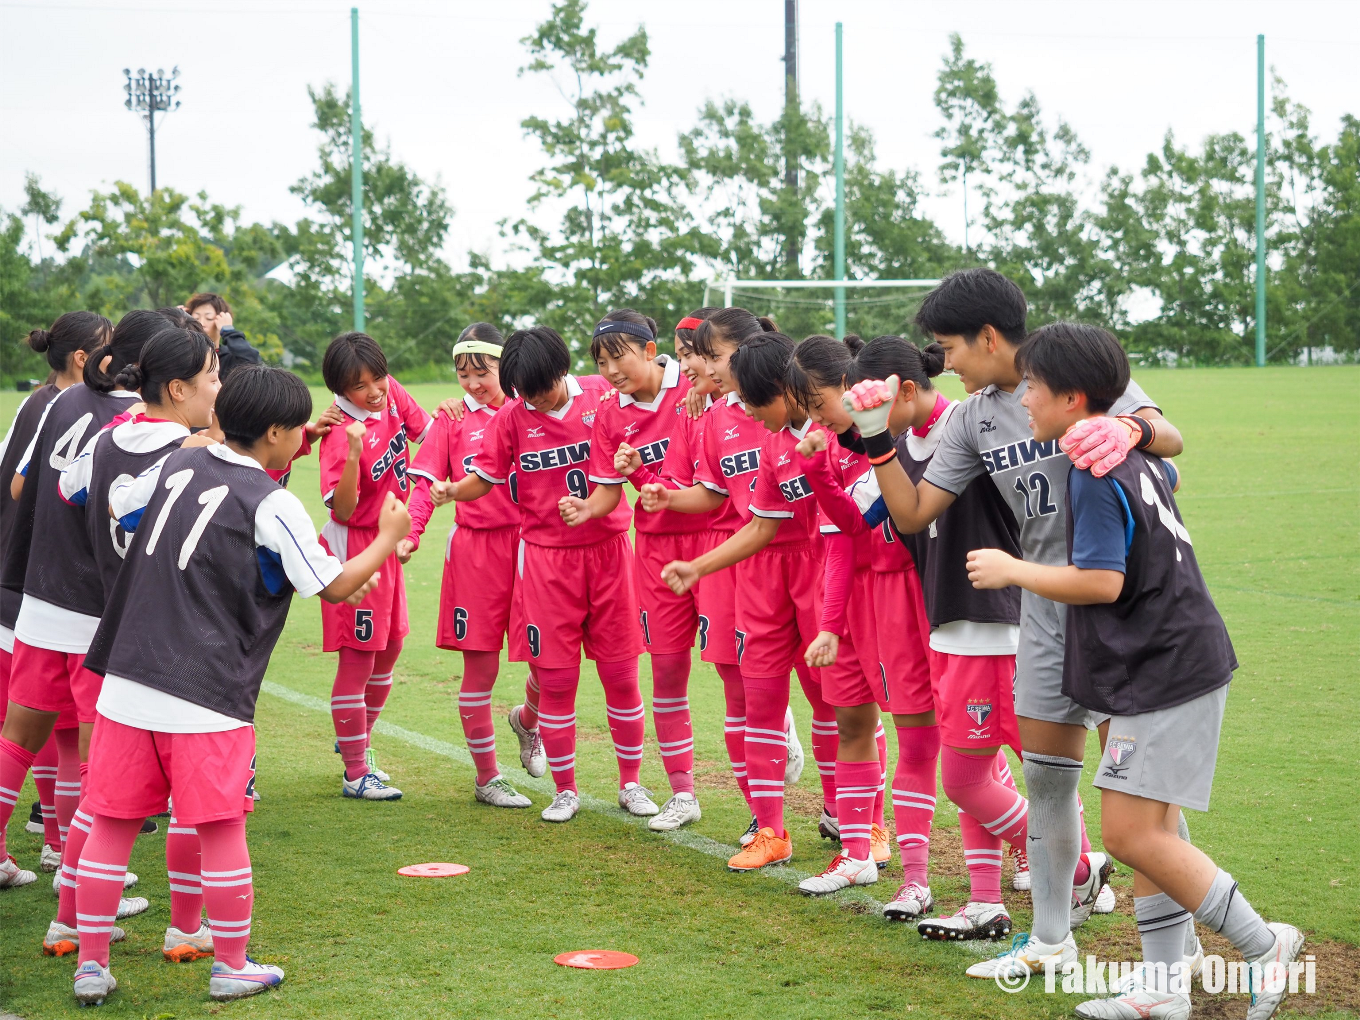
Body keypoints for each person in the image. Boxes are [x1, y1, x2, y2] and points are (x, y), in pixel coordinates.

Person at [842, 268, 1181, 980]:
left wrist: (1128, 425)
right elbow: (911, 514)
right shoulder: (970, 417)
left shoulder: (1069, 370)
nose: (946, 363)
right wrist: (874, 437)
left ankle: (1183, 958)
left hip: (1123, 610)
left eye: (950, 348)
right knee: (1052, 784)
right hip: (1047, 617)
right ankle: (1052, 940)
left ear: (989, 337)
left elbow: (1170, 437)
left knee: (1142, 802)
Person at [966, 322, 1303, 1020]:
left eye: (1034, 387)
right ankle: (1162, 990)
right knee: (1140, 827)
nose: (1023, 400)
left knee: (1129, 834)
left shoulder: (1092, 468)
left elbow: (1101, 582)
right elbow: (1163, 464)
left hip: (1166, 667)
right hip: (1157, 664)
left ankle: (1262, 942)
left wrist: (1010, 570)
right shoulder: (1119, 449)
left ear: (1074, 397)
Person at [70, 364, 409, 1005]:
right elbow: (333, 585)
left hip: (125, 674)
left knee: (112, 823)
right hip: (207, 690)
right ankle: (229, 964)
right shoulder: (272, 500)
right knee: (221, 827)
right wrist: (387, 538)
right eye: (296, 435)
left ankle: (92, 965)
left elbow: (118, 504)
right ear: (277, 434)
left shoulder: (178, 463)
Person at [804, 334, 1030, 934]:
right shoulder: (899, 446)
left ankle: (1074, 864)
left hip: (1004, 613)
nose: (852, 417)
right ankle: (938, 885)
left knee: (1023, 756)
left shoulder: (970, 425)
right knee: (967, 757)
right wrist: (817, 466)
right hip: (945, 617)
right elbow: (859, 523)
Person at [431, 326, 655, 825]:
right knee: (556, 680)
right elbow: (483, 477)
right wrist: (452, 491)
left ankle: (631, 783)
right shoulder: (513, 416)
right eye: (521, 393)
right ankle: (566, 789)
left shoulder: (601, 395)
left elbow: (659, 399)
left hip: (610, 552)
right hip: (546, 561)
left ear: (561, 371)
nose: (530, 400)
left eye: (538, 390)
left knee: (620, 674)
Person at [49, 328, 221, 961]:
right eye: (212, 372)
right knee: (194, 802)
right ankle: (190, 927)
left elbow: (68, 491)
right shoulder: (194, 453)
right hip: (171, 653)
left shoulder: (108, 436)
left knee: (103, 801)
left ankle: (68, 925)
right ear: (178, 388)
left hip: (105, 643)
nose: (218, 386)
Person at [0, 310, 166, 905]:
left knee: (21, 736)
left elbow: (23, 489)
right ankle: (85, 888)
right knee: (105, 755)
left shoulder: (60, 401)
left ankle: (29, 857)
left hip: (39, 598)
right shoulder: (142, 425)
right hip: (95, 609)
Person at [656, 331, 836, 873]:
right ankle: (770, 830)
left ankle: (861, 823)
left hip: (825, 566)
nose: (708, 367)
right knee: (756, 699)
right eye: (701, 356)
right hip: (756, 573)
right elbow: (757, 523)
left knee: (837, 701)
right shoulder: (756, 432)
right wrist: (697, 564)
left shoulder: (832, 431)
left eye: (715, 356)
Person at [784, 335, 924, 900]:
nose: (814, 418)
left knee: (961, 729)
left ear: (851, 386)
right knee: (851, 724)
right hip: (852, 602)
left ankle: (1031, 850)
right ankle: (858, 850)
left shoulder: (901, 441)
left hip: (907, 596)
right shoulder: (838, 451)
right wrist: (831, 624)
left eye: (819, 403)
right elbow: (844, 538)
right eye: (808, 409)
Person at [558, 309, 708, 831]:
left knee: (746, 672)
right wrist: (588, 509)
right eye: (601, 360)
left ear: (649, 349)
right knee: (667, 671)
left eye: (619, 355)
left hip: (716, 543)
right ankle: (684, 793)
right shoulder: (608, 413)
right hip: (654, 553)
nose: (611, 369)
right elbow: (605, 491)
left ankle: (782, 766)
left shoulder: (695, 387)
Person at [403, 324, 544, 809]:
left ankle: (528, 721)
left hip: (531, 548)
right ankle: (488, 779)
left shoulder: (530, 412)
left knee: (548, 661)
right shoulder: (452, 420)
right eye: (462, 374)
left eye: (480, 372)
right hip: (475, 554)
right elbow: (424, 486)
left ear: (506, 367)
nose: (470, 384)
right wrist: (412, 532)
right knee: (478, 669)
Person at [0, 312, 111, 886]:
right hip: (76, 599)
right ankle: (79, 876)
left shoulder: (43, 404)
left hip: (32, 592)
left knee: (33, 733)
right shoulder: (113, 416)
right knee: (86, 744)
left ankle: (54, 846)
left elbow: (17, 484)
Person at [317, 332, 432, 801]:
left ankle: (356, 747)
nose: (375, 390)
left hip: (387, 540)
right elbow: (341, 511)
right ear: (341, 390)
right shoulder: (336, 429)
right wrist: (352, 455)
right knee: (359, 657)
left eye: (377, 377)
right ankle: (354, 770)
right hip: (354, 545)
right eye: (360, 385)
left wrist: (453, 413)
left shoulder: (391, 392)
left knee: (389, 650)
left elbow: (427, 434)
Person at [185, 293, 261, 381]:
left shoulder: (229, 358)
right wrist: (175, 322)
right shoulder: (184, 354)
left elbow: (253, 360)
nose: (201, 323)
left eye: (209, 318)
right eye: (196, 318)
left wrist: (228, 331)